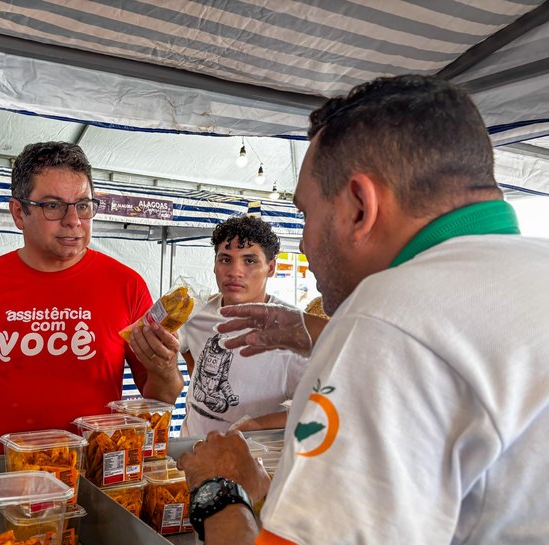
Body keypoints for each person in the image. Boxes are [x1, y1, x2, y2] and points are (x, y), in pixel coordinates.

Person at [178, 74, 549, 545]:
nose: (307, 244)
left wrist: (219, 490)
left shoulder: (385, 321)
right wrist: (313, 331)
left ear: (359, 206)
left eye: (307, 215)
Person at [0, 141, 183, 454]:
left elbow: (160, 401)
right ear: (18, 212)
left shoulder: (126, 285)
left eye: (83, 205)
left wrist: (166, 368)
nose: (73, 220)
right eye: (53, 206)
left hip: (90, 474)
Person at [179, 215, 309, 436]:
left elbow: (319, 406)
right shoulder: (196, 314)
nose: (235, 272)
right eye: (226, 259)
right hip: (192, 454)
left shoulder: (292, 328)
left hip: (254, 463)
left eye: (249, 261)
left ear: (271, 267)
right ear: (214, 264)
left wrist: (254, 426)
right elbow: (185, 349)